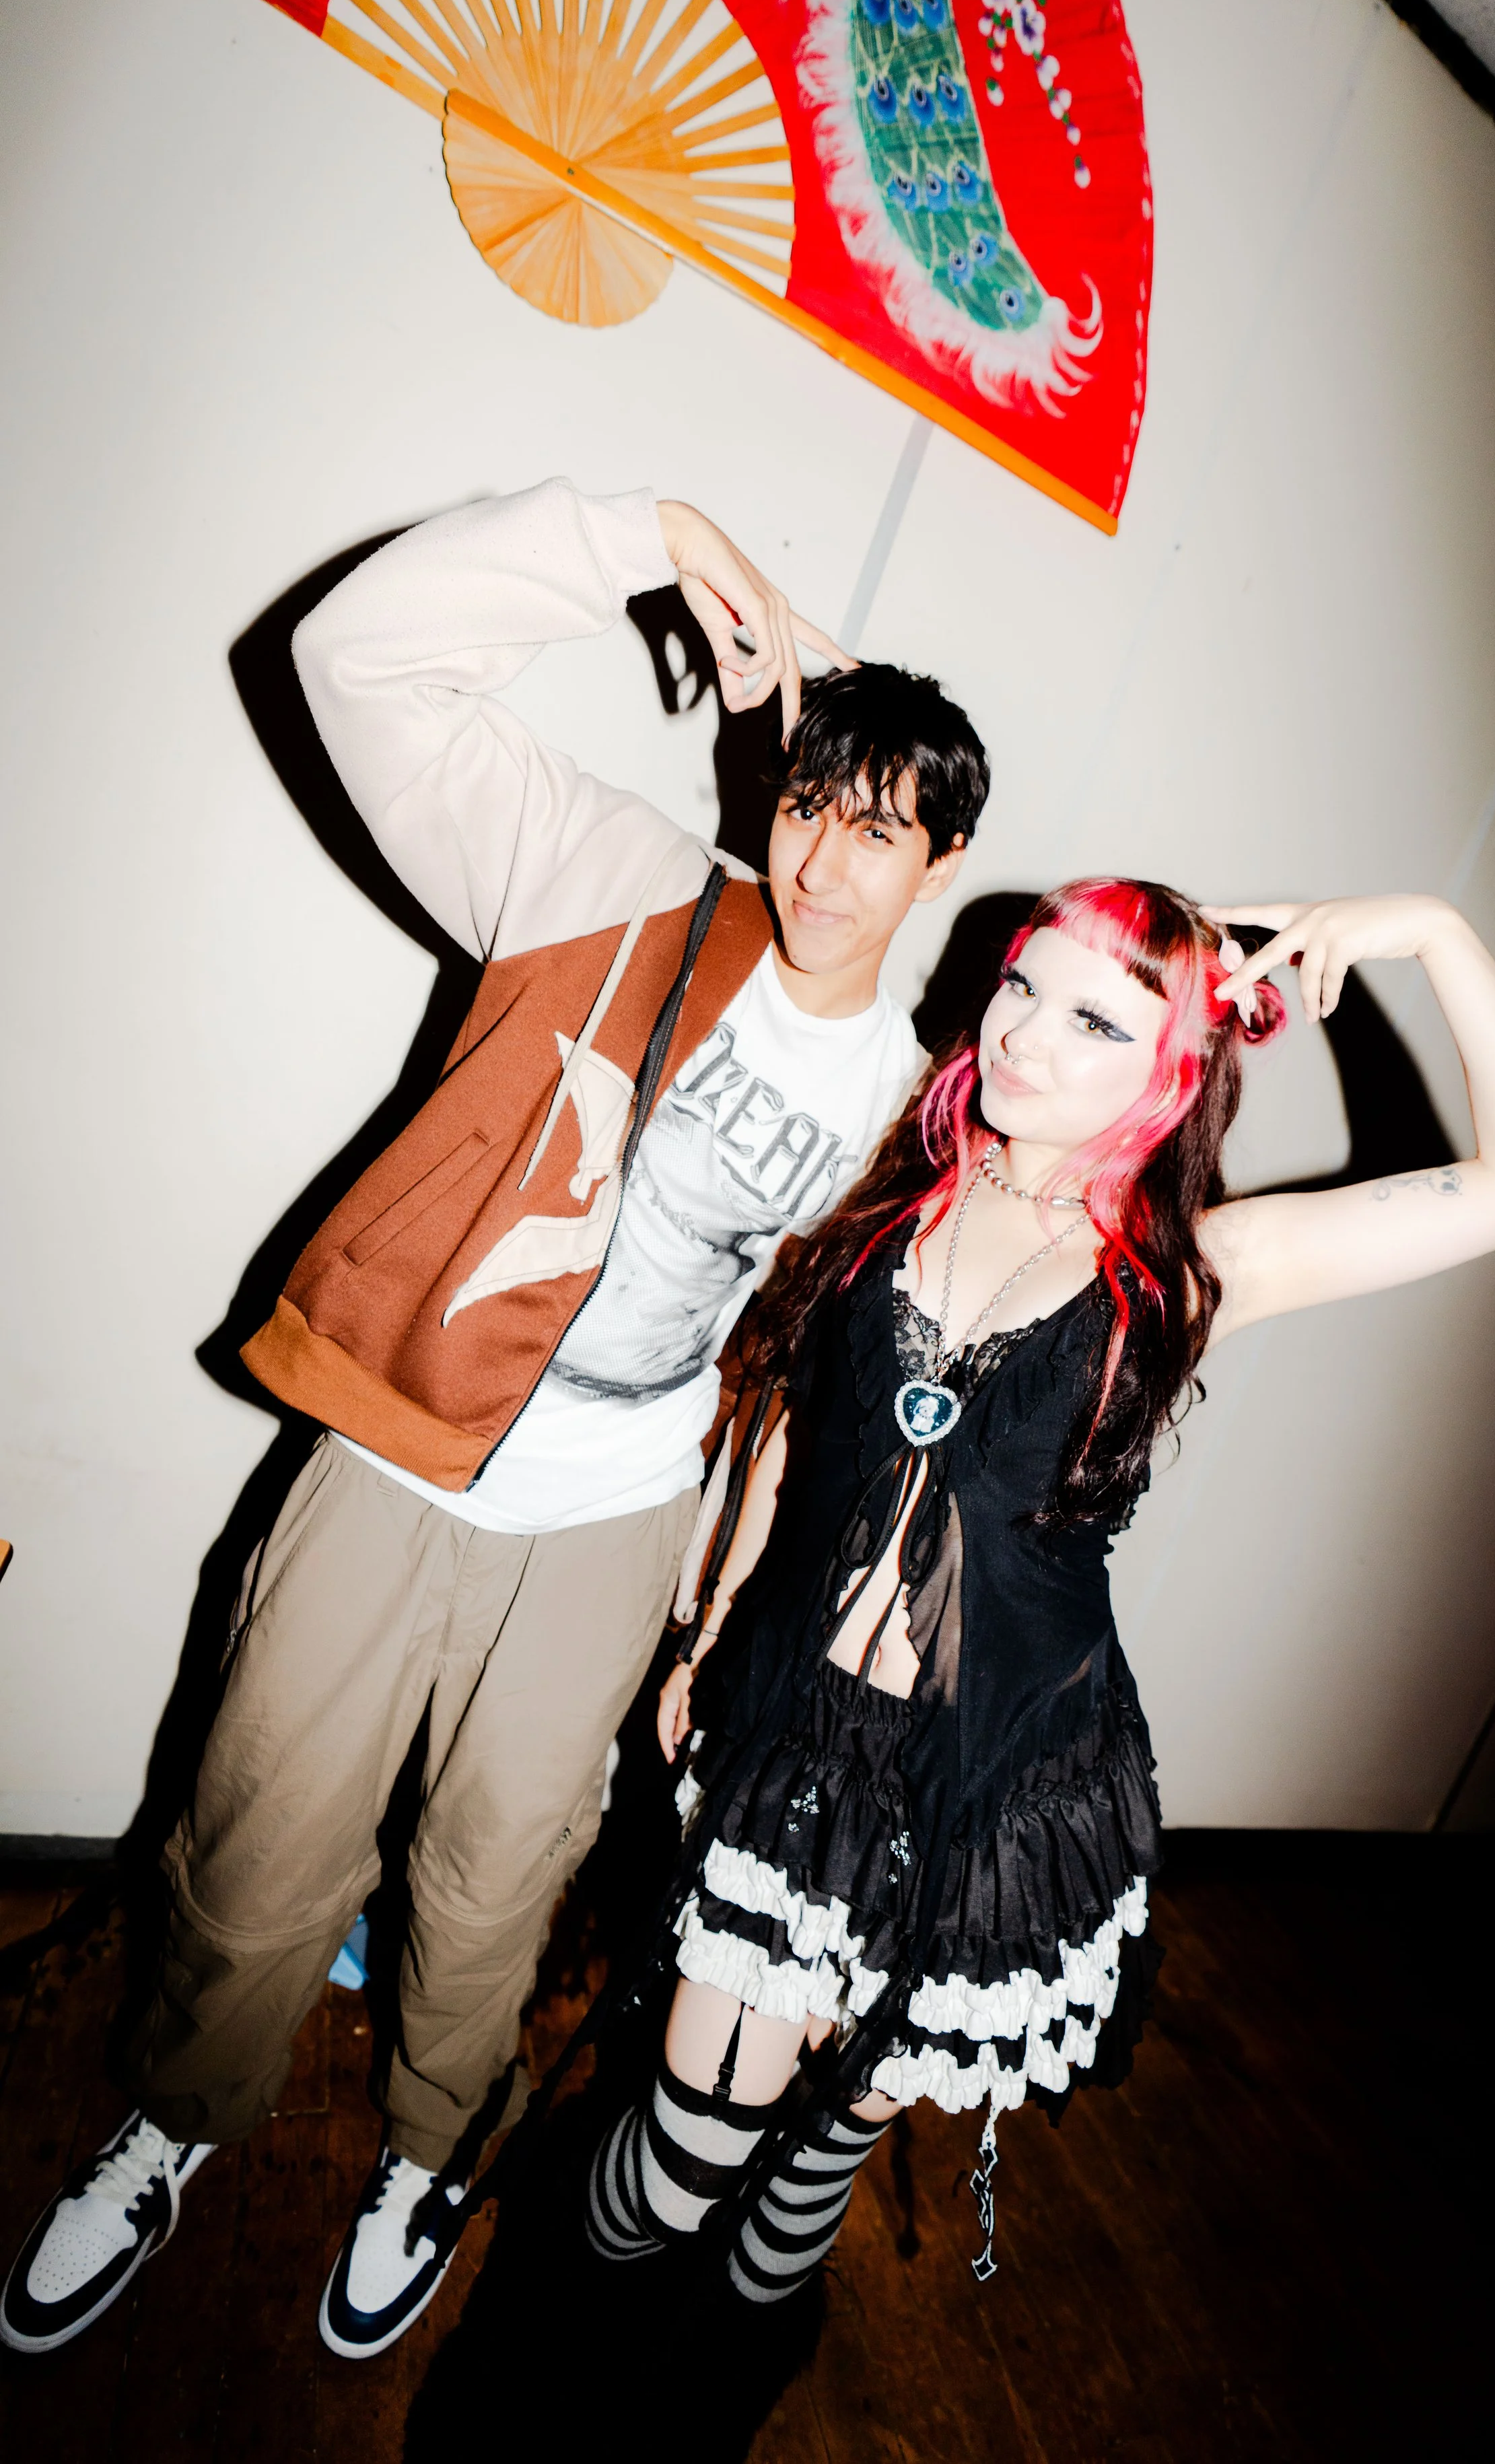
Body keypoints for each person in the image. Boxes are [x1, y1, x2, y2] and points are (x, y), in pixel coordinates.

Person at [0, 479, 989, 2361]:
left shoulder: (916, 1107)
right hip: (397, 1448)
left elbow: (887, 1372)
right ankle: (171, 2120)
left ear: (942, 854)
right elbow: (349, 658)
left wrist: (732, 1613)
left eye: (881, 832)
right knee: (257, 1816)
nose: (827, 861)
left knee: (501, 1864)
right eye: (809, 804)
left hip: (619, 1513)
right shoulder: (610, 881)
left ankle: (427, 2148)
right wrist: (644, 528)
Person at [581, 879, 1495, 2304]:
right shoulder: (897, 1189)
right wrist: (708, 1626)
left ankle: (744, 2334)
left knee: (806, 2186)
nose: (1021, 1034)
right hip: (802, 1737)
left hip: (998, 1781)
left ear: (1171, 1067)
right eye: (1019, 986)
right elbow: (789, 1434)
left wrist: (1430, 929)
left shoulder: (1189, 1270)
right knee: (670, 2163)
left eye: (1090, 1018)